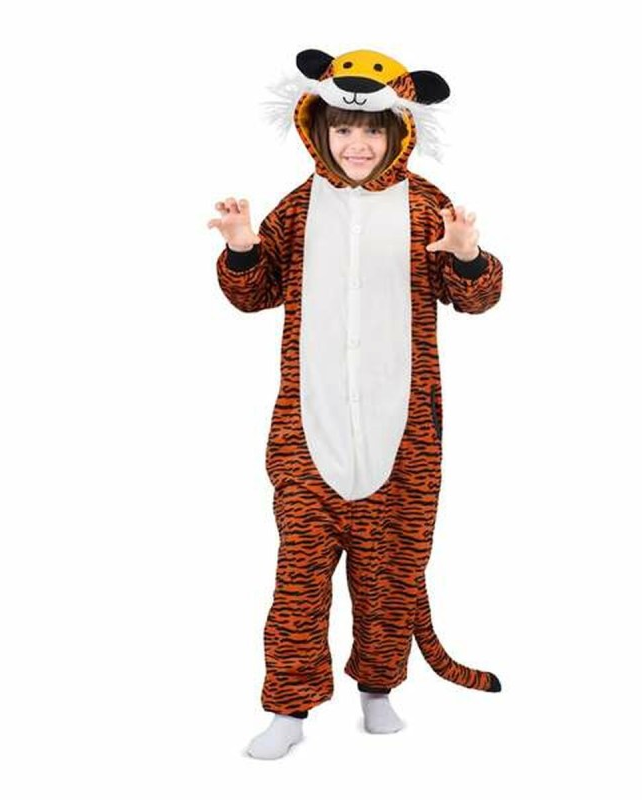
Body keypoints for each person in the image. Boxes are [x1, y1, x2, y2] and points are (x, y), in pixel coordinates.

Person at [207, 48, 504, 760]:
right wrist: (243, 247)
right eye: (343, 129)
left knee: (390, 576)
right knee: (299, 579)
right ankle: (289, 708)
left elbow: (477, 298)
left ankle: (379, 689)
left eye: (371, 130)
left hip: (405, 433)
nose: (357, 144)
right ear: (319, 131)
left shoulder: (428, 205)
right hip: (306, 431)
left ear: (399, 132)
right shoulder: (299, 206)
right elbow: (253, 294)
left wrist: (466, 254)